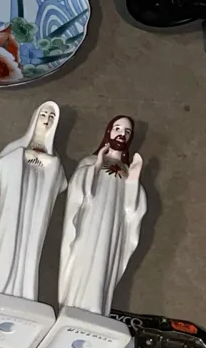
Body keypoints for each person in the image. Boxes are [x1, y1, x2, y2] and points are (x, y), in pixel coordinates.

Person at [59, 116, 147, 314]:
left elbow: (131, 210)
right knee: (83, 261)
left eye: (127, 132)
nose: (122, 134)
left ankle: (96, 310)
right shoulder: (90, 162)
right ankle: (72, 306)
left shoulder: (127, 170)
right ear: (109, 132)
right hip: (90, 223)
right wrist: (97, 164)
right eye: (118, 129)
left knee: (103, 265)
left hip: (113, 228)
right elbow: (79, 191)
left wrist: (133, 180)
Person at [0, 101, 67, 300]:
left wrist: (51, 163)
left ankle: (25, 293)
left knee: (30, 249)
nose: (47, 120)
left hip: (36, 208)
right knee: (7, 242)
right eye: (44, 115)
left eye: (51, 117)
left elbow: (61, 183)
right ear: (35, 118)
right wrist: (23, 156)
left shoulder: (53, 156)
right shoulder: (17, 147)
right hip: (15, 203)